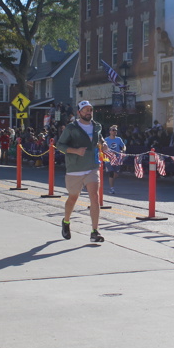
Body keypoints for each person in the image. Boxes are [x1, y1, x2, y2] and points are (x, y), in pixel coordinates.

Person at [56, 101, 110, 243]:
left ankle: (94, 232)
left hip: (92, 167)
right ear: (79, 112)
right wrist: (75, 151)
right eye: (85, 110)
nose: (88, 112)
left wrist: (103, 144)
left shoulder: (97, 126)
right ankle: (66, 221)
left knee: (94, 197)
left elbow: (99, 139)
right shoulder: (71, 128)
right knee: (73, 198)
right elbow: (60, 145)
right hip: (75, 168)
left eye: (90, 110)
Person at [103, 125, 126, 194]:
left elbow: (123, 146)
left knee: (115, 174)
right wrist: (109, 152)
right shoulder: (106, 140)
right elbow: (103, 148)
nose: (114, 131)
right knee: (111, 173)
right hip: (108, 159)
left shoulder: (118, 139)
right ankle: (112, 188)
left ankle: (112, 181)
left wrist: (123, 150)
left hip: (117, 159)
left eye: (116, 130)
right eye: (113, 130)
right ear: (110, 131)